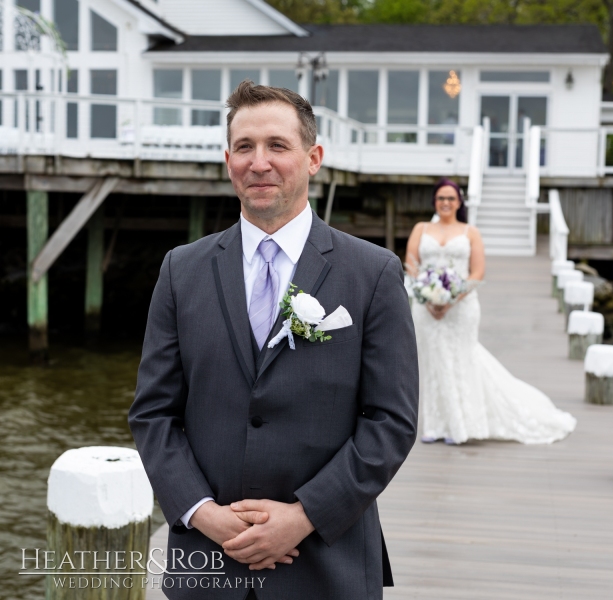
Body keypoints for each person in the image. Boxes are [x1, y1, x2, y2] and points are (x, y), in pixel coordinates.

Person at [129, 82, 419, 600]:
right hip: (207, 566)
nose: (258, 162)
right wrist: (203, 513)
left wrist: (305, 516)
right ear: (227, 160)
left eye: (277, 146)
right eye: (245, 147)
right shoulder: (181, 271)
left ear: (313, 158)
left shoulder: (372, 274)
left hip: (326, 565)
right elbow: (153, 414)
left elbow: (390, 422)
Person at [405, 178, 576, 445]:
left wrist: (450, 299)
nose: (446, 203)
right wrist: (426, 297)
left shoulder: (470, 232)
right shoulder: (421, 228)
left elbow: (478, 272)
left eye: (451, 198)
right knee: (432, 361)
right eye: (441, 198)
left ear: (459, 202)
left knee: (461, 359)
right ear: (434, 202)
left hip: (460, 307)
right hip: (425, 308)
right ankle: (436, 423)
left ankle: (461, 424)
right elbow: (412, 264)